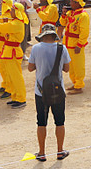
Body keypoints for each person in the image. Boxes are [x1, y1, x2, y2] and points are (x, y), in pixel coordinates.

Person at [27, 24, 71, 162]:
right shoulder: (61, 48)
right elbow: (66, 69)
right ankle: (59, 151)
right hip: (58, 91)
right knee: (59, 122)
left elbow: (30, 68)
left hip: (40, 92)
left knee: (41, 123)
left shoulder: (35, 48)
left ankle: (41, 152)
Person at [0, 1, 28, 108]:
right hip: (9, 50)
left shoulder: (17, 23)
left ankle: (21, 98)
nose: (11, 12)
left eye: (13, 10)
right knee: (11, 76)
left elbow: (3, 28)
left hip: (13, 51)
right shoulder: (14, 21)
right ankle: (15, 97)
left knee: (16, 76)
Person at [59, 0, 89, 94]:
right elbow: (63, 23)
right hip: (68, 43)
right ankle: (75, 82)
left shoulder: (83, 15)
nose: (70, 3)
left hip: (75, 44)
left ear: (77, 3)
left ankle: (79, 85)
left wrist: (80, 45)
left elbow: (84, 32)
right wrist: (63, 14)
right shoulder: (70, 13)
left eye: (72, 2)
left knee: (78, 65)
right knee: (71, 65)